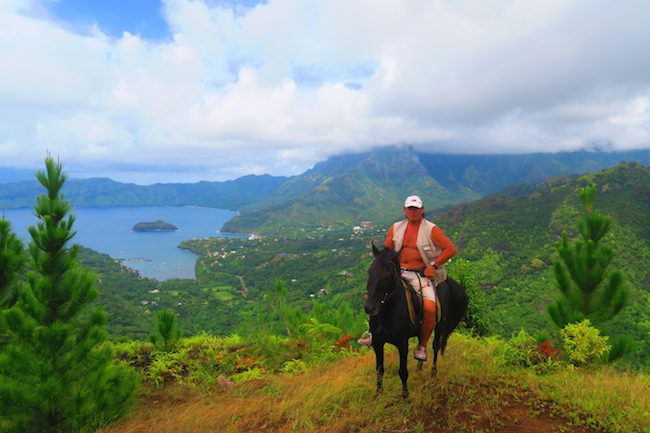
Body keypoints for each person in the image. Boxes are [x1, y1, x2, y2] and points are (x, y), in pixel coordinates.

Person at [358, 195, 457, 362]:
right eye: (410, 208)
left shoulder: (431, 229)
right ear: (405, 210)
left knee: (430, 307)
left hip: (421, 273)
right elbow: (388, 251)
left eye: (416, 208)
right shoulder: (396, 228)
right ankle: (374, 334)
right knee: (376, 296)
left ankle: (422, 346)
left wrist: (433, 266)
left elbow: (450, 249)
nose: (413, 211)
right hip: (398, 272)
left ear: (422, 210)